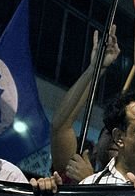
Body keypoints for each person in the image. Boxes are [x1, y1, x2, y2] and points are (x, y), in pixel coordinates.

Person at [49, 26, 121, 181]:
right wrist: (95, 69)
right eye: (109, 132)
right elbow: (60, 126)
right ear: (95, 148)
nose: (115, 139)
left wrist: (89, 181)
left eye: (122, 134)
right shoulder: (76, 168)